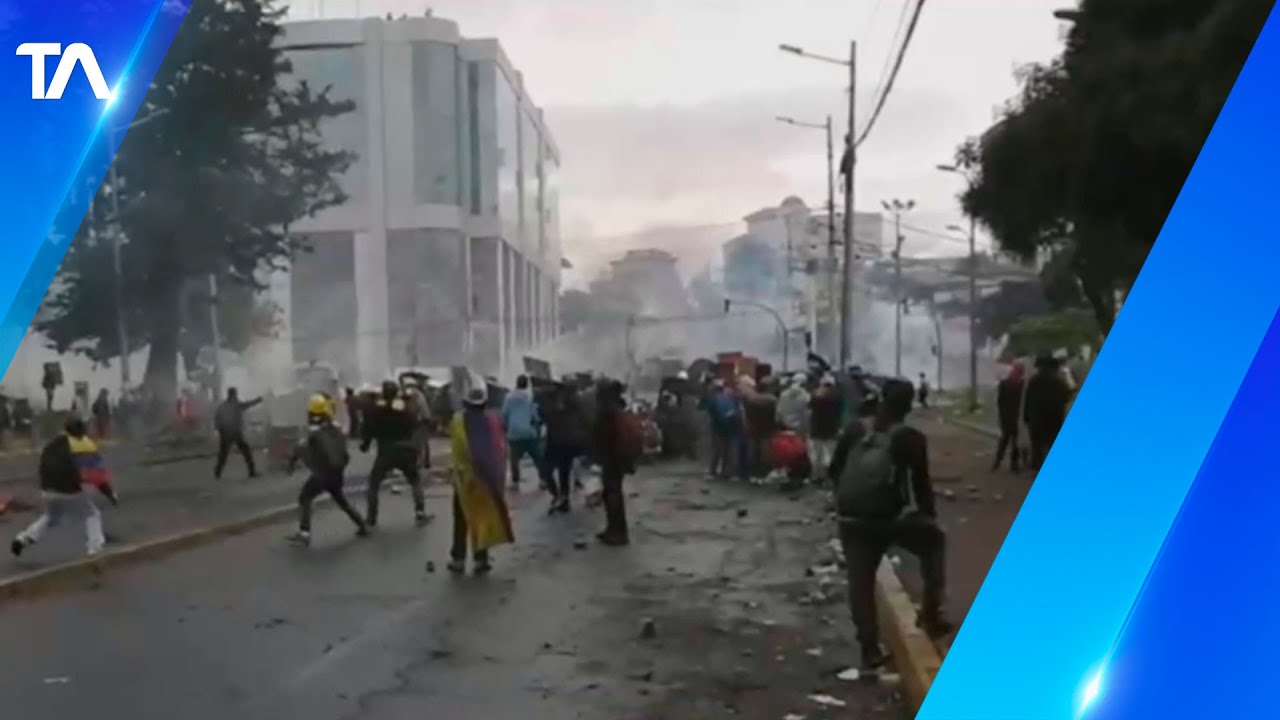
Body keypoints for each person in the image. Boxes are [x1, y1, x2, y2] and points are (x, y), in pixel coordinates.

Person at [830, 379, 952, 669]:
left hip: (852, 520)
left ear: (880, 398)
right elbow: (921, 487)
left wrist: (845, 501)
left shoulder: (855, 429)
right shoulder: (910, 438)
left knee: (860, 583)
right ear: (909, 406)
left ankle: (870, 650)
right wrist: (927, 518)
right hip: (890, 521)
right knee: (934, 544)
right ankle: (931, 615)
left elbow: (835, 469)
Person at [11, 416, 118, 558]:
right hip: (68, 491)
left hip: (47, 490)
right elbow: (96, 476)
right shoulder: (83, 445)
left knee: (51, 516)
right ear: (82, 431)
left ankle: (23, 539)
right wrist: (110, 494)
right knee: (92, 514)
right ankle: (95, 548)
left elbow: (43, 467)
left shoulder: (53, 444)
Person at [447, 384, 514, 575]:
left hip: (464, 480)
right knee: (481, 518)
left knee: (461, 519)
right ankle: (481, 559)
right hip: (485, 479)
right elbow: (498, 451)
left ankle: (458, 560)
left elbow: (458, 447)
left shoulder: (457, 421)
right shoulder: (493, 422)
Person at [287, 394, 369, 546]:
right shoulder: (337, 429)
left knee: (304, 498)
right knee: (341, 501)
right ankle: (362, 525)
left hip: (321, 475)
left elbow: (300, 449)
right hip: (336, 474)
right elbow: (344, 454)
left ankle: (304, 533)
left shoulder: (313, 432)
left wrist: (292, 463)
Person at [361, 380, 430, 529]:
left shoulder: (376, 409)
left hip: (385, 452)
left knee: (373, 484)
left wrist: (365, 445)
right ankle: (420, 512)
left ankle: (371, 518)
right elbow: (415, 424)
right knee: (415, 481)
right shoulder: (405, 408)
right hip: (406, 450)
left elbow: (369, 428)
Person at [593, 379, 634, 546]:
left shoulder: (608, 411)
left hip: (612, 458)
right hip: (616, 458)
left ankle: (617, 533)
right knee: (612, 494)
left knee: (612, 495)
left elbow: (605, 435)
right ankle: (614, 530)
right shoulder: (617, 408)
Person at [543, 380, 588, 514]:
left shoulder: (566, 404)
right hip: (563, 443)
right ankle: (562, 498)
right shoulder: (571, 403)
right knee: (561, 471)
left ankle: (561, 498)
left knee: (555, 471)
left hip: (561, 443)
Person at [1023, 354, 1071, 471]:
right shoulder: (1059, 381)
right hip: (1055, 416)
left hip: (1037, 417)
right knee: (1052, 442)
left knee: (1037, 444)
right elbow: (1066, 396)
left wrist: (1026, 415)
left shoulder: (1034, 380)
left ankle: (1037, 467)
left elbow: (1028, 399)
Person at [501, 375, 545, 491]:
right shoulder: (529, 397)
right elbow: (534, 414)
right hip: (529, 432)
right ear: (526, 385)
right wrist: (538, 423)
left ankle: (515, 481)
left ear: (516, 384)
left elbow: (505, 414)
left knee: (514, 458)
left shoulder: (509, 397)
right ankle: (543, 480)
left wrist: (506, 426)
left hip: (514, 432)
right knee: (537, 456)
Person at [213, 387, 261, 479]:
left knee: (223, 454)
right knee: (246, 452)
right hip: (234, 433)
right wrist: (258, 400)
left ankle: (217, 473)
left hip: (225, 433)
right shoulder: (236, 405)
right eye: (235, 394)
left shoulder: (222, 406)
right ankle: (252, 472)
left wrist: (219, 429)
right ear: (233, 395)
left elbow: (217, 419)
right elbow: (248, 404)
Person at [704, 379, 746, 482]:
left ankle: (712, 472)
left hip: (719, 428)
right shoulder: (733, 397)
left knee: (717, 450)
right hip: (734, 427)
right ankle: (730, 473)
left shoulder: (713, 400)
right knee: (732, 450)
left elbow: (711, 415)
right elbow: (740, 411)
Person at [808, 374, 843, 484]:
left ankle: (816, 476)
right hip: (831, 428)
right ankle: (828, 475)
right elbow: (839, 412)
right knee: (830, 453)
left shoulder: (815, 394)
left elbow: (809, 407)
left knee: (816, 454)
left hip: (816, 428)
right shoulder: (837, 395)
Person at [992, 362, 1027, 472]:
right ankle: (1014, 464)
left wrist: (1001, 415)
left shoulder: (1004, 384)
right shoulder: (1022, 384)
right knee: (1015, 441)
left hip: (1006, 416)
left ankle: (997, 462)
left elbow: (1000, 402)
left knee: (1004, 440)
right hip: (1017, 416)